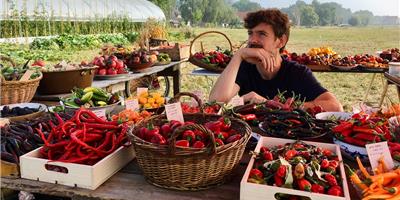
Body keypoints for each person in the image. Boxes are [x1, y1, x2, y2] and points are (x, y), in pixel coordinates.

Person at [209, 9, 343, 111]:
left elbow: (335, 107)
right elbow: (215, 102)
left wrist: (274, 104)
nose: (252, 40)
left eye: (261, 34)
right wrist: (238, 56)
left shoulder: (297, 73)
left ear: (281, 41)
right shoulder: (246, 66)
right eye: (250, 33)